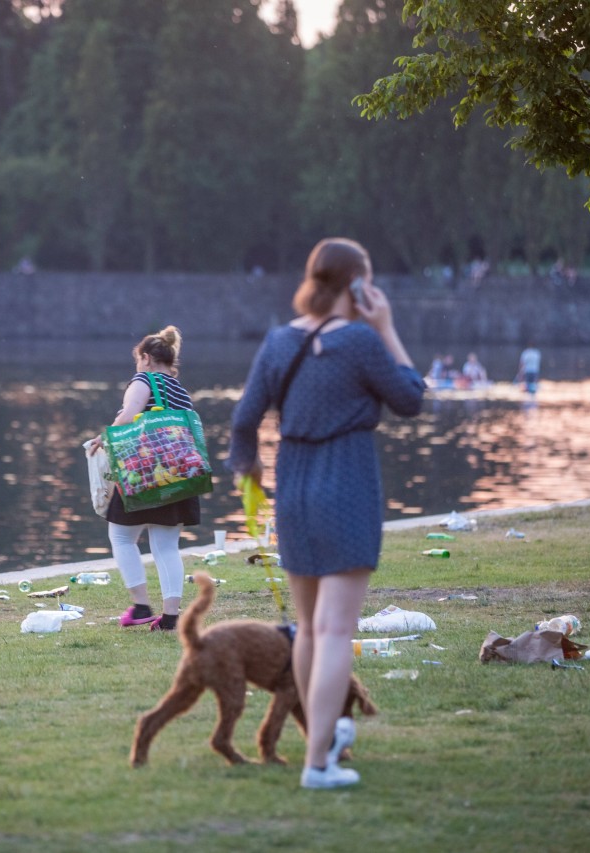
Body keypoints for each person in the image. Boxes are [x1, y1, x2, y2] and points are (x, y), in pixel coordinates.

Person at [228, 237, 424, 789]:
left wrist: (249, 469)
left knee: (311, 629)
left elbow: (244, 421)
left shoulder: (277, 341)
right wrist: (386, 326)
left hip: (293, 486)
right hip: (347, 484)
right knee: (337, 630)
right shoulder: (362, 341)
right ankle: (318, 764)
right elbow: (410, 398)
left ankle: (322, 742)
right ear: (358, 286)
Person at [90, 326, 199, 632]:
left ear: (147, 358)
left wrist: (104, 436)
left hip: (145, 472)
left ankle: (140, 606)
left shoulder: (143, 380)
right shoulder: (181, 390)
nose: (137, 366)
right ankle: (171, 618)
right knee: (166, 547)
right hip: (179, 476)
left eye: (138, 361)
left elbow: (129, 415)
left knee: (122, 537)